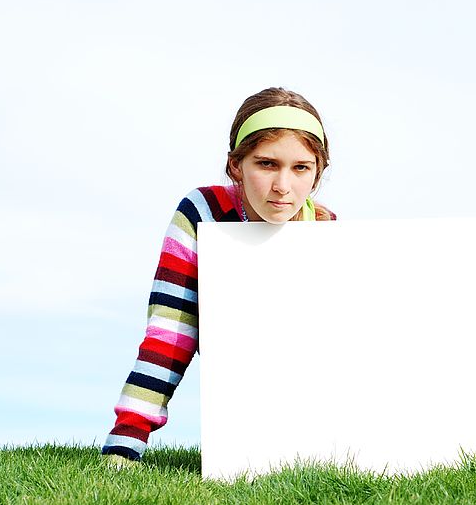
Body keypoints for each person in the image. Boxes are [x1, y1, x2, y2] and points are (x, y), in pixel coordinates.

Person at [102, 87, 336, 467]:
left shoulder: (326, 228)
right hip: (233, 396)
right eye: (266, 164)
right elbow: (171, 326)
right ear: (235, 166)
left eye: (300, 168)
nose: (283, 186)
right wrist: (127, 440)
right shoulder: (203, 211)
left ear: (318, 172)